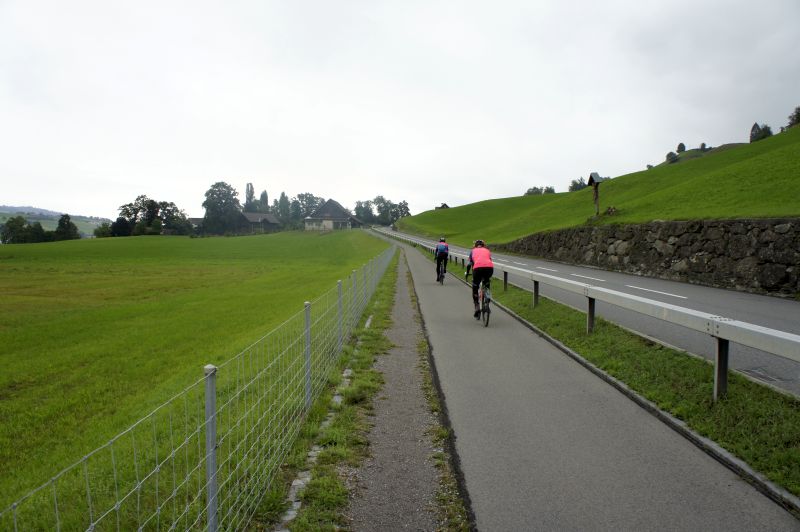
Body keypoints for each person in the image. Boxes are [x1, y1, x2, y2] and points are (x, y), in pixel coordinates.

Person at [465, 239, 494, 319]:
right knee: (487, 282)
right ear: (483, 245)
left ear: (475, 246)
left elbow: (469, 264)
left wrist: (467, 273)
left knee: (475, 286)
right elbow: (489, 260)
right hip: (489, 268)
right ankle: (487, 300)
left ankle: (477, 306)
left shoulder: (473, 251)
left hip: (477, 269)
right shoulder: (487, 250)